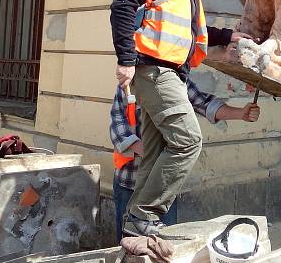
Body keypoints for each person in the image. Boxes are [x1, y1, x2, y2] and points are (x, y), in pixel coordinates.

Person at [110, 0, 253, 236]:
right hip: (153, 70)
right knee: (188, 140)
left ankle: (134, 225)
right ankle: (146, 214)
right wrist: (126, 59)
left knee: (156, 151)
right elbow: (122, 6)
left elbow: (193, 31)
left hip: (169, 72)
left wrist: (229, 35)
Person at [110, 80, 260, 241]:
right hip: (129, 182)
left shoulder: (175, 80)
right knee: (127, 244)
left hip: (163, 190)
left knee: (163, 244)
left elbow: (204, 103)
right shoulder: (129, 85)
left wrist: (241, 113)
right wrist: (151, 152)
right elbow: (118, 130)